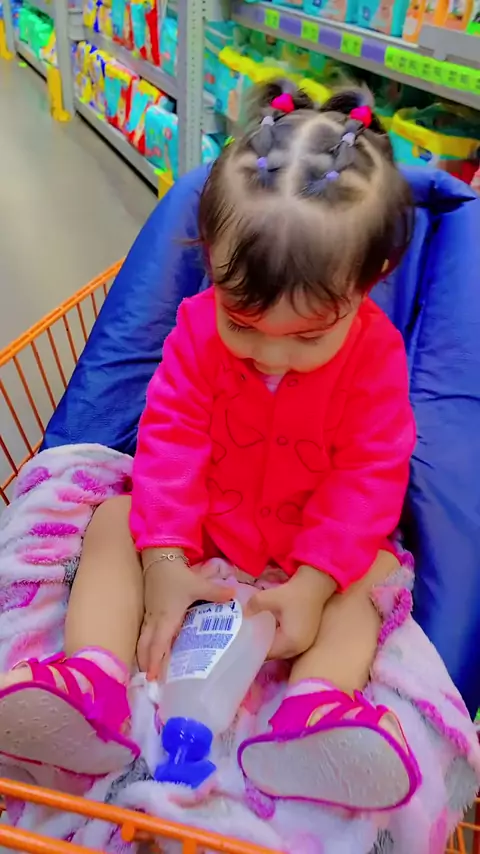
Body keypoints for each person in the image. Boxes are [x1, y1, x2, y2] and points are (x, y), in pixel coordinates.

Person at [0, 83, 420, 810]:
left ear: (369, 284)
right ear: (210, 261)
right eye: (243, 322)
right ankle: (92, 681)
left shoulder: (377, 359)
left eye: (307, 336)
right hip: (201, 530)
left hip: (311, 552)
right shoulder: (197, 331)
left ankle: (314, 713)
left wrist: (315, 583)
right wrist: (164, 559)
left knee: (375, 577)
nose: (270, 355)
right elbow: (170, 436)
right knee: (111, 521)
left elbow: (370, 474)